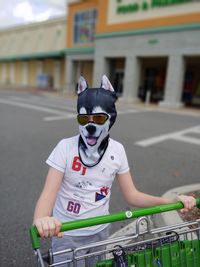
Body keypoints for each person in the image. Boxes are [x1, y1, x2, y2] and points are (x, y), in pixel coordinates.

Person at [33, 75, 196, 266]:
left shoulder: (117, 150)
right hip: (66, 232)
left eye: (100, 117)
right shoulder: (65, 148)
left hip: (100, 232)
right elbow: (48, 194)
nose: (90, 125)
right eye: (84, 118)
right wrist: (42, 219)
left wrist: (170, 201)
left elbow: (132, 195)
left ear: (111, 118)